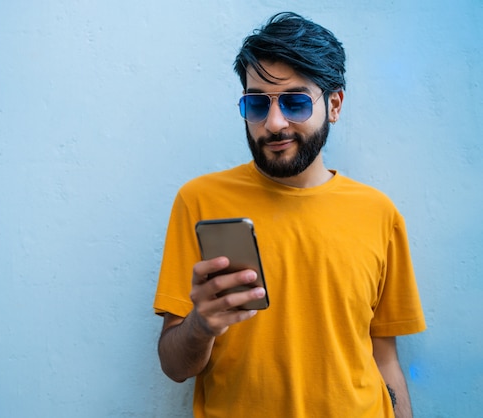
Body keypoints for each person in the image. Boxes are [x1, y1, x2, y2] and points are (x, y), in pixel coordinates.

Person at [153, 12, 426, 418]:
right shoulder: (200, 201)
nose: (274, 122)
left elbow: (384, 358)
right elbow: (175, 367)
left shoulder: (378, 213)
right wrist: (201, 325)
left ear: (333, 105)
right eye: (257, 104)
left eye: (296, 103)